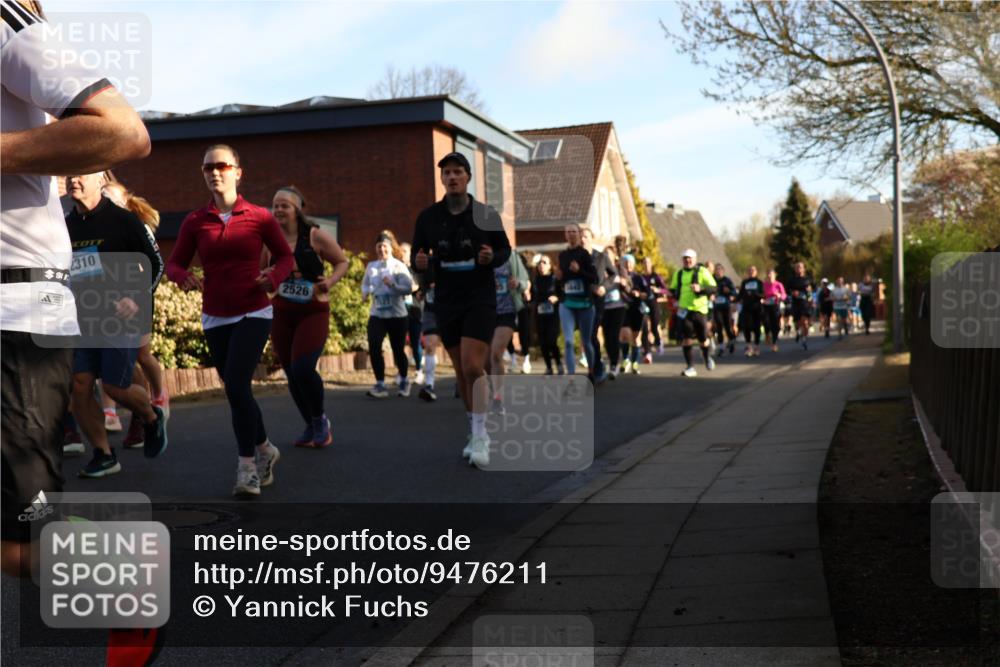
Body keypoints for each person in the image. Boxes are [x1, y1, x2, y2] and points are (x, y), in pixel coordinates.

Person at [1, 0, 151, 577]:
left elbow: (123, 131)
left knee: (25, 548)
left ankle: (124, 581)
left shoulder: (6, 20)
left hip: (16, 314)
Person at [166, 144, 293, 497]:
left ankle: (247, 467)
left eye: (222, 166)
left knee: (237, 385)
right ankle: (267, 448)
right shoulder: (196, 221)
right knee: (237, 391)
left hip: (254, 310)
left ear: (238, 171)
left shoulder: (259, 216)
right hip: (215, 315)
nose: (214, 172)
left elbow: (285, 258)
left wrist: (273, 277)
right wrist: (183, 277)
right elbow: (174, 263)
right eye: (207, 168)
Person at [410, 152, 510, 468]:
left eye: (457, 172)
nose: (452, 177)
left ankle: (481, 436)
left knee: (471, 366)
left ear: (467, 178)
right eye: (447, 173)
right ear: (442, 179)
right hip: (447, 298)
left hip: (479, 297)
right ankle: (474, 429)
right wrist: (420, 263)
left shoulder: (484, 213)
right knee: (460, 372)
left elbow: (504, 249)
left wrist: (489, 257)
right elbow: (416, 255)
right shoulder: (429, 217)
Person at [65, 171, 167, 476]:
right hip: (81, 321)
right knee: (80, 386)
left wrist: (136, 298)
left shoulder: (123, 220)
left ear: (99, 182)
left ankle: (151, 416)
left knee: (115, 386)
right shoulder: (64, 226)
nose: (74, 180)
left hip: (119, 320)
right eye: (70, 175)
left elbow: (156, 264)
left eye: (82, 175)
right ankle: (103, 453)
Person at [267, 186, 347, 448]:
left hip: (312, 309)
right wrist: (265, 280)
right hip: (281, 310)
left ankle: (320, 419)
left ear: (297, 210)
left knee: (303, 367)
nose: (278, 209)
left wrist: (331, 281)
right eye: (275, 205)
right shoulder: (268, 239)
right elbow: (259, 271)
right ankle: (310, 424)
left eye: (284, 205)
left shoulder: (315, 236)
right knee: (291, 371)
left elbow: (342, 262)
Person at [102, 175, 173, 449]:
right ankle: (117, 414)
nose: (105, 201)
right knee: (113, 357)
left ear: (124, 202)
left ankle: (158, 398)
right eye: (103, 196)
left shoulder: (135, 225)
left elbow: (152, 264)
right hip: (108, 301)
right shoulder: (99, 228)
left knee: (141, 354)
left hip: (137, 297)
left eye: (111, 197)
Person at [362, 232, 414, 398]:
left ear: (391, 248)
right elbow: (365, 284)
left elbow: (408, 288)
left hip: (397, 315)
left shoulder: (398, 266)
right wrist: (364, 294)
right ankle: (380, 384)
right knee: (374, 346)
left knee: (398, 349)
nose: (381, 249)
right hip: (377, 314)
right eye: (379, 246)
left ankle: (405, 379)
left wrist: (393, 285)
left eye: (384, 246)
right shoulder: (371, 267)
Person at [487, 247, 530, 413]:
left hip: (508, 311)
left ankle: (498, 398)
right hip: (487, 311)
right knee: (487, 359)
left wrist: (518, 283)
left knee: (496, 353)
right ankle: (494, 391)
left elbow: (525, 281)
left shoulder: (511, 256)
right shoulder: (480, 255)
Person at [557, 223, 598, 379]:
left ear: (579, 235)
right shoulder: (562, 255)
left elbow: (594, 277)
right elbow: (561, 281)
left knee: (586, 341)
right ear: (565, 235)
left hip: (585, 304)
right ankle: (572, 377)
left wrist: (579, 270)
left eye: (574, 231)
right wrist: (559, 278)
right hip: (567, 303)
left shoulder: (585, 254)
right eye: (568, 232)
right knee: (568, 341)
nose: (572, 234)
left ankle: (591, 372)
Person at [670, 249, 717, 377]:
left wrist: (700, 288)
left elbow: (713, 287)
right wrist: (673, 295)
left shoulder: (702, 271)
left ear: (695, 259)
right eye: (685, 258)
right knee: (687, 338)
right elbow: (673, 288)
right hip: (684, 310)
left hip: (700, 310)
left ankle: (707, 357)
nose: (687, 260)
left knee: (703, 338)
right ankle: (690, 367)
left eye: (690, 258)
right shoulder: (678, 274)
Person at [581, 227, 611, 381]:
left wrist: (604, 287)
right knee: (586, 336)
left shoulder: (601, 257)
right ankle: (594, 366)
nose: (583, 239)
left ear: (591, 239)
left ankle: (596, 368)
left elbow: (613, 275)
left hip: (597, 301)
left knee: (592, 335)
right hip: (580, 301)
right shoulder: (576, 257)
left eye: (586, 236)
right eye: (581, 236)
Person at [532, 255, 563, 375]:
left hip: (553, 315)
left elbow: (562, 295)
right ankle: (549, 367)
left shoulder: (555, 279)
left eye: (544, 262)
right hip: (540, 315)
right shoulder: (535, 281)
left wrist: (557, 298)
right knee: (543, 342)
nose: (541, 265)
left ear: (550, 266)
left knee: (551, 341)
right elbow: (531, 297)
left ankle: (559, 364)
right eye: (539, 263)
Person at [399, 242, 425, 384]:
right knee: (399, 344)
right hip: (400, 311)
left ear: (410, 253)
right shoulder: (396, 268)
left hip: (414, 310)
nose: (402, 253)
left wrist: (404, 288)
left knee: (415, 342)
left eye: (405, 251)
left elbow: (417, 286)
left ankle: (419, 370)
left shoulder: (415, 269)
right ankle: (401, 373)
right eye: (400, 251)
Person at [599, 247, 627, 378]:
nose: (605, 257)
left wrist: (623, 282)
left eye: (608, 255)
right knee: (606, 338)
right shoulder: (600, 270)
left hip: (618, 306)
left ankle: (614, 365)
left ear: (614, 257)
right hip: (605, 307)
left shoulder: (619, 269)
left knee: (613, 336)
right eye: (604, 254)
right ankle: (614, 359)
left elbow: (628, 284)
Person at [415, 265, 442, 401]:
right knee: (430, 346)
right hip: (431, 311)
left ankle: (461, 381)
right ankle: (429, 385)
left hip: (452, 309)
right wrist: (422, 290)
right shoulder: (426, 261)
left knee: (456, 348)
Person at [619, 254, 648, 374]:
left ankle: (635, 362)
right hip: (624, 308)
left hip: (637, 309)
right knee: (625, 335)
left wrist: (639, 294)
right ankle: (625, 359)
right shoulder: (619, 277)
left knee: (636, 338)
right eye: (626, 262)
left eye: (630, 262)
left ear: (633, 264)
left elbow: (647, 294)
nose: (628, 265)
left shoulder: (639, 278)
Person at [640, 256, 668, 362]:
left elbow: (666, 290)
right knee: (644, 328)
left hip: (654, 304)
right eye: (644, 263)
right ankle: (647, 353)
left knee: (655, 326)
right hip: (643, 306)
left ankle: (658, 341)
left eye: (648, 262)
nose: (646, 264)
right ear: (642, 265)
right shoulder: (640, 277)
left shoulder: (656, 277)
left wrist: (658, 290)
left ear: (651, 264)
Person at [711, 263, 737, 357]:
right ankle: (721, 346)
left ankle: (731, 341)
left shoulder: (727, 280)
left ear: (723, 271)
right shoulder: (712, 280)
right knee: (719, 325)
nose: (718, 272)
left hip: (726, 306)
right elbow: (708, 290)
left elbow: (734, 292)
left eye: (720, 270)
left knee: (727, 326)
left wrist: (729, 293)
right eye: (716, 270)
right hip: (717, 306)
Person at [738, 265, 765, 357]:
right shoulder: (745, 282)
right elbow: (741, 294)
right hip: (746, 307)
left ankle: (756, 347)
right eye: (749, 270)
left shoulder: (759, 282)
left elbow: (763, 294)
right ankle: (749, 346)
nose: (751, 272)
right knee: (747, 327)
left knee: (757, 327)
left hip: (757, 307)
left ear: (756, 272)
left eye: (753, 270)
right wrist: (736, 299)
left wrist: (754, 294)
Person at [787, 261, 814, 350]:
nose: (799, 269)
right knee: (798, 322)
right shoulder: (791, 280)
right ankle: (798, 331)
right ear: (795, 269)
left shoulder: (808, 279)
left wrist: (810, 299)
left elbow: (810, 291)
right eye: (797, 267)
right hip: (795, 303)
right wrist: (792, 293)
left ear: (804, 269)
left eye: (800, 267)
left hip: (804, 303)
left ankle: (804, 339)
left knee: (805, 322)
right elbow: (788, 291)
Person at [762, 269, 787, 352]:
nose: (769, 276)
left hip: (775, 305)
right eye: (768, 274)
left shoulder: (778, 284)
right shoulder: (764, 284)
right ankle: (767, 334)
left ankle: (774, 344)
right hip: (766, 306)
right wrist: (762, 299)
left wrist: (779, 295)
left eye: (771, 274)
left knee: (775, 325)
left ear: (775, 275)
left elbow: (784, 295)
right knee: (766, 322)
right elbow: (760, 294)